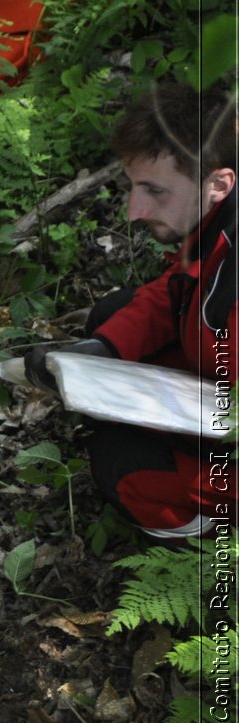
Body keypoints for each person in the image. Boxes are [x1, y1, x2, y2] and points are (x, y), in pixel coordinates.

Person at [26, 82, 236, 540]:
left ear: (218, 184)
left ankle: (204, 537)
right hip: (217, 384)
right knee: (113, 316)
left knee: (123, 467)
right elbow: (174, 292)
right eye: (133, 186)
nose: (134, 210)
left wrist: (162, 428)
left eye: (155, 192)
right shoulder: (220, 220)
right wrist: (99, 349)